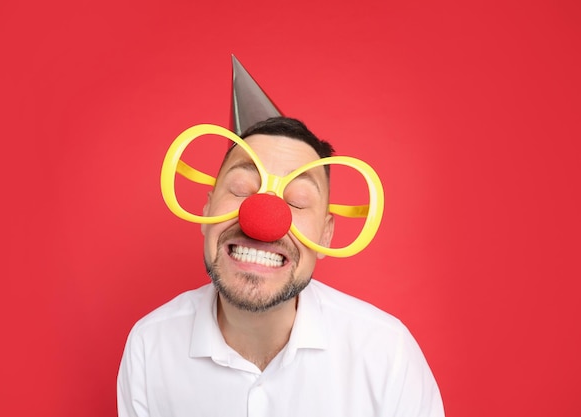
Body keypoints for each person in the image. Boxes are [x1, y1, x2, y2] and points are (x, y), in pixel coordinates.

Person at [117, 57, 444, 417]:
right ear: (208, 210)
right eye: (242, 189)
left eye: (298, 202)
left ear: (327, 232)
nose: (263, 219)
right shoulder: (149, 347)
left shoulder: (386, 354)